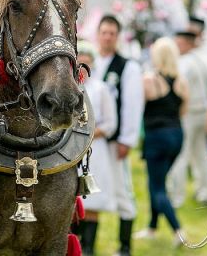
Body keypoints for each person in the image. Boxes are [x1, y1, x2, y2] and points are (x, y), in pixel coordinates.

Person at [92, 15, 144, 256]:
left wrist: (127, 139)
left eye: (112, 33)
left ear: (118, 36)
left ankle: (124, 246)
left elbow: (132, 105)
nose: (107, 37)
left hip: (114, 140)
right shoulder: (91, 64)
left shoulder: (128, 67)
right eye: (104, 32)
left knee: (121, 188)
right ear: (98, 34)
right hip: (92, 141)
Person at [134, 37, 188, 246]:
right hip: (177, 136)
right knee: (158, 183)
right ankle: (152, 227)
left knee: (157, 188)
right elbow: (183, 110)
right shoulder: (182, 81)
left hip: (157, 137)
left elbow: (138, 109)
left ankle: (178, 231)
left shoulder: (149, 80)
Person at [73, 41, 117, 256]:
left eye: (87, 63)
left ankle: (89, 247)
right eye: (80, 63)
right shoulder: (70, 87)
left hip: (95, 151)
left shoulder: (101, 89)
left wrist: (89, 133)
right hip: (70, 149)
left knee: (93, 201)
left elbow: (110, 123)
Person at [169, 31, 207, 207]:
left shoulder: (185, 63)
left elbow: (180, 87)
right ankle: (204, 192)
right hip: (205, 111)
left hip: (189, 113)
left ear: (188, 43)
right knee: (201, 153)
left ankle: (177, 196)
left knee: (182, 154)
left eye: (179, 43)